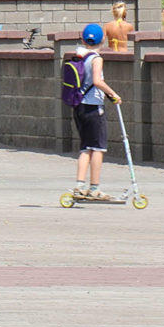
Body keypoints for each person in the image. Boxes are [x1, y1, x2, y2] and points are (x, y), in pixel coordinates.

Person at [70, 22, 122, 201]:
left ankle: (79, 186)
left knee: (86, 147)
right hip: (93, 108)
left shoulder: (79, 56)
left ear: (83, 39)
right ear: (103, 40)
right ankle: (94, 188)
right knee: (98, 148)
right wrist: (113, 94)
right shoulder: (96, 58)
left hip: (79, 106)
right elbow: (97, 81)